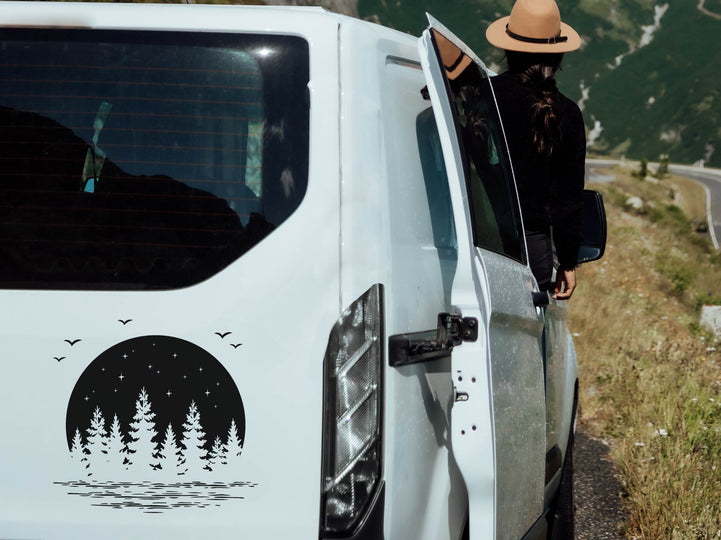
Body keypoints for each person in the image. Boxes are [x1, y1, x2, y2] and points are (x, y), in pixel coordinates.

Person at [486, 0, 585, 299]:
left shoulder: (480, 94)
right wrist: (568, 261)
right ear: (558, 55)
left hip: (477, 230)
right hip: (534, 252)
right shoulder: (568, 114)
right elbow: (567, 201)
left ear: (508, 49)